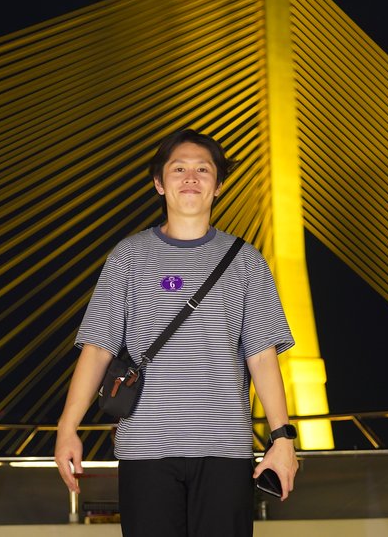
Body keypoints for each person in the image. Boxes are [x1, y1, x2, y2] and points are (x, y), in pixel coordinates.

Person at [55, 128, 299, 536]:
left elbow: (261, 356)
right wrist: (67, 429)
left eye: (203, 169)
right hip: (145, 448)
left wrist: (282, 439)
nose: (191, 178)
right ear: (159, 182)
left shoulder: (247, 262)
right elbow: (97, 348)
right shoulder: (129, 257)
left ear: (218, 186)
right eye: (179, 168)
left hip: (225, 448)